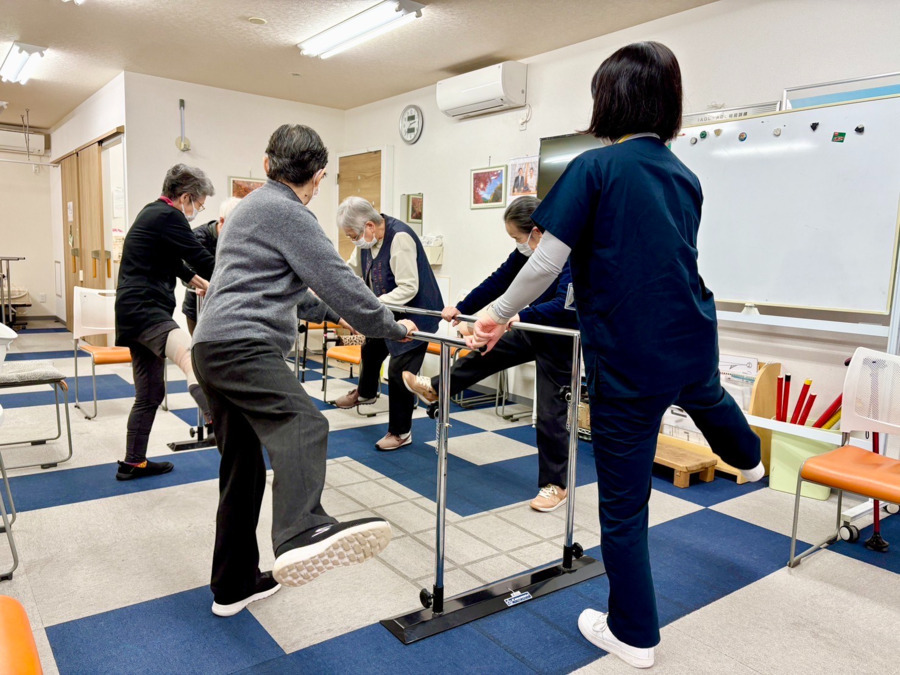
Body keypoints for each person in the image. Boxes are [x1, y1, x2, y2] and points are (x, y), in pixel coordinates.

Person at [467, 42, 763, 669]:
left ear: (609, 99)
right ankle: (749, 460)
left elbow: (544, 261)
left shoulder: (593, 167)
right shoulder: (686, 175)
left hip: (629, 355)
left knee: (624, 508)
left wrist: (493, 316)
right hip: (691, 332)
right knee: (707, 395)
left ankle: (634, 634)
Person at [192, 124, 416, 618]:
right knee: (304, 423)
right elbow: (339, 279)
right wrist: (389, 327)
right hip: (243, 347)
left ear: (267, 163)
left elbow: (281, 287)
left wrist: (331, 315)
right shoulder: (288, 212)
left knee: (243, 470)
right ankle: (300, 529)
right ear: (317, 177)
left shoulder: (250, 206)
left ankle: (233, 586)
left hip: (212, 346)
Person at [402, 197, 576, 512]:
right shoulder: (527, 252)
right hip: (530, 325)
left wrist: (519, 317)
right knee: (484, 354)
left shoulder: (567, 252)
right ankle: (436, 388)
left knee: (551, 414)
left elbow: (567, 304)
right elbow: (499, 280)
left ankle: (555, 486)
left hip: (558, 337)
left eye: (517, 238)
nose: (517, 246)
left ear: (536, 233)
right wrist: (463, 308)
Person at [114, 164, 217, 481]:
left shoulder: (153, 213)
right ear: (186, 196)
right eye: (198, 204)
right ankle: (217, 420)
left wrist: (194, 280)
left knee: (149, 394)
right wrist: (237, 277)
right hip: (146, 309)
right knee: (189, 356)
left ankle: (134, 462)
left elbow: (172, 258)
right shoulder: (170, 216)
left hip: (131, 311)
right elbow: (197, 254)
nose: (197, 210)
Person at [333, 196, 443, 451]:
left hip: (418, 316)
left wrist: (372, 304)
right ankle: (366, 393)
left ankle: (401, 432)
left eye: (353, 235)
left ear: (369, 226)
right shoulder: (366, 240)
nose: (353, 240)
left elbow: (408, 286)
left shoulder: (400, 238)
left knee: (398, 372)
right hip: (390, 312)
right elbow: (349, 272)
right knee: (370, 347)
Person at [182, 196, 241, 335]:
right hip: (198, 308)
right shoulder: (196, 237)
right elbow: (185, 272)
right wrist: (198, 284)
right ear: (222, 221)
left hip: (228, 309)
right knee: (201, 353)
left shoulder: (241, 239)